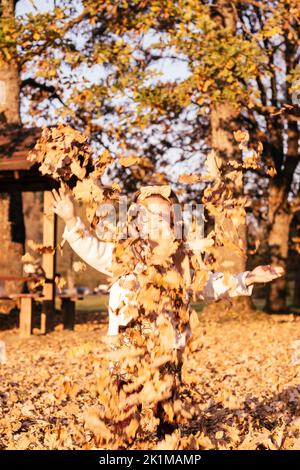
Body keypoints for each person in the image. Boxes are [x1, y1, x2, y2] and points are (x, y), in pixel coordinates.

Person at [51, 184, 284, 444]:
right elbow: (92, 248)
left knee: (168, 409)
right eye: (147, 215)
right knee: (124, 410)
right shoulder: (125, 255)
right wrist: (72, 219)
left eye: (163, 216)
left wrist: (249, 277)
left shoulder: (181, 259)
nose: (155, 222)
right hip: (127, 342)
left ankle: (168, 444)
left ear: (174, 221)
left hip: (167, 343)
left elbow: (210, 284)